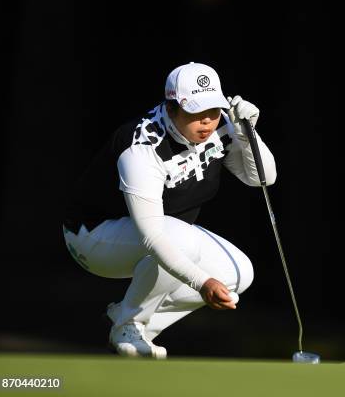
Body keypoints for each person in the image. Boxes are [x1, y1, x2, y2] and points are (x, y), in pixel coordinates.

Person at [62, 62, 277, 359]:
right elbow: (152, 235)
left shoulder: (223, 126)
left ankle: (132, 327)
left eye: (213, 111)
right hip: (92, 237)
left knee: (238, 274)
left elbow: (261, 179)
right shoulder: (142, 145)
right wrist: (202, 282)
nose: (207, 122)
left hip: (167, 234)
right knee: (180, 242)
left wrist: (247, 132)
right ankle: (129, 322)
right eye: (195, 112)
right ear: (172, 106)